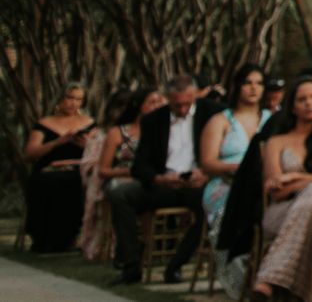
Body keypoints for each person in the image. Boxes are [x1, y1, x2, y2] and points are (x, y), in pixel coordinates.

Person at [250, 75, 312, 302]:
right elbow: (276, 190)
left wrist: (297, 178)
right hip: (283, 211)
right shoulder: (277, 142)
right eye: (302, 99)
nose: (309, 103)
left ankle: (270, 278)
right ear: (292, 106)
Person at [109, 73, 211, 284]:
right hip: (164, 183)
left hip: (199, 183)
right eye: (176, 105)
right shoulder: (154, 120)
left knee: (211, 205)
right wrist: (158, 178)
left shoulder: (212, 113)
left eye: (187, 104)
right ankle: (131, 265)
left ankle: (176, 265)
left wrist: (207, 173)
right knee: (120, 194)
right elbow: (139, 165)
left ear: (195, 97)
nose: (182, 110)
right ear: (168, 99)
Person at [200, 64, 270, 244]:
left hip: (265, 185)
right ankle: (230, 269)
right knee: (232, 213)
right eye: (248, 83)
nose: (254, 88)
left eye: (259, 83)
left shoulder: (272, 119)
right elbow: (207, 163)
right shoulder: (220, 121)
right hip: (226, 183)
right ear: (237, 86)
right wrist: (240, 169)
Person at [24, 82, 92, 252]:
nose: (73, 103)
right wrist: (57, 142)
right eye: (70, 98)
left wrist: (86, 145)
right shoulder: (45, 124)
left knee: (71, 183)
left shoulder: (89, 123)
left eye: (78, 100)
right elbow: (30, 154)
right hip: (48, 170)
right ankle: (43, 238)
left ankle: (68, 237)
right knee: (45, 183)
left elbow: (100, 150)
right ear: (61, 99)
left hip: (77, 169)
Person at [79, 88, 142, 262]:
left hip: (140, 178)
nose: (121, 112)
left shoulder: (146, 132)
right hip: (110, 178)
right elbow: (92, 165)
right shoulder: (101, 135)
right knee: (118, 191)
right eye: (118, 107)